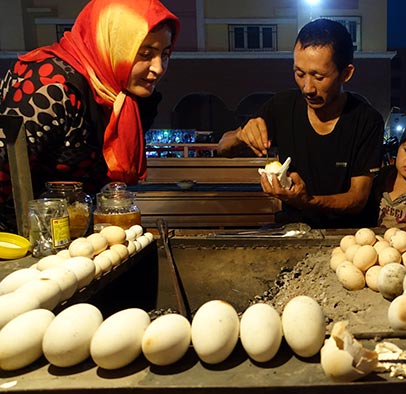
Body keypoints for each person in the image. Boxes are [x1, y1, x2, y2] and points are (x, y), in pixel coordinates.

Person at [0, 0, 180, 232]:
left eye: (165, 54)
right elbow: (4, 172)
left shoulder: (121, 96)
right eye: (145, 54)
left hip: (66, 236)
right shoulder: (49, 87)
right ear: (111, 45)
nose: (158, 68)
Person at [217, 18, 384, 228]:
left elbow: (357, 199)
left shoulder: (366, 120)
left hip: (348, 234)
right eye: (299, 73)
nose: (307, 88)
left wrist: (308, 201)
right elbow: (223, 148)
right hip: (293, 228)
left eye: (318, 77)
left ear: (346, 73)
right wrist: (241, 135)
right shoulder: (282, 106)